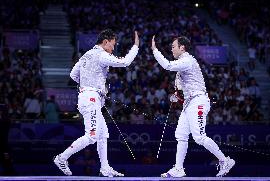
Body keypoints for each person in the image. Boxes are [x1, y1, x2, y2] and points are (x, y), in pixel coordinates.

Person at [54, 29, 139, 177]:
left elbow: (73, 75)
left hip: (88, 97)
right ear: (105, 42)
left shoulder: (86, 55)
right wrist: (136, 46)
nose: (113, 48)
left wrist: (89, 84)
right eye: (112, 45)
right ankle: (62, 157)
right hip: (91, 99)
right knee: (92, 136)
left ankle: (105, 168)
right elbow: (125, 62)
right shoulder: (101, 55)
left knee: (103, 134)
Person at [151, 36, 235, 177]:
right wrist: (177, 96)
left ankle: (225, 160)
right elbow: (182, 88)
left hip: (198, 102)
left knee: (199, 137)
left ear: (182, 47)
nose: (171, 49)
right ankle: (178, 169)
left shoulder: (187, 60)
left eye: (173, 46)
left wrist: (154, 50)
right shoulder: (182, 64)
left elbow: (167, 66)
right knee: (181, 135)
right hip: (189, 103)